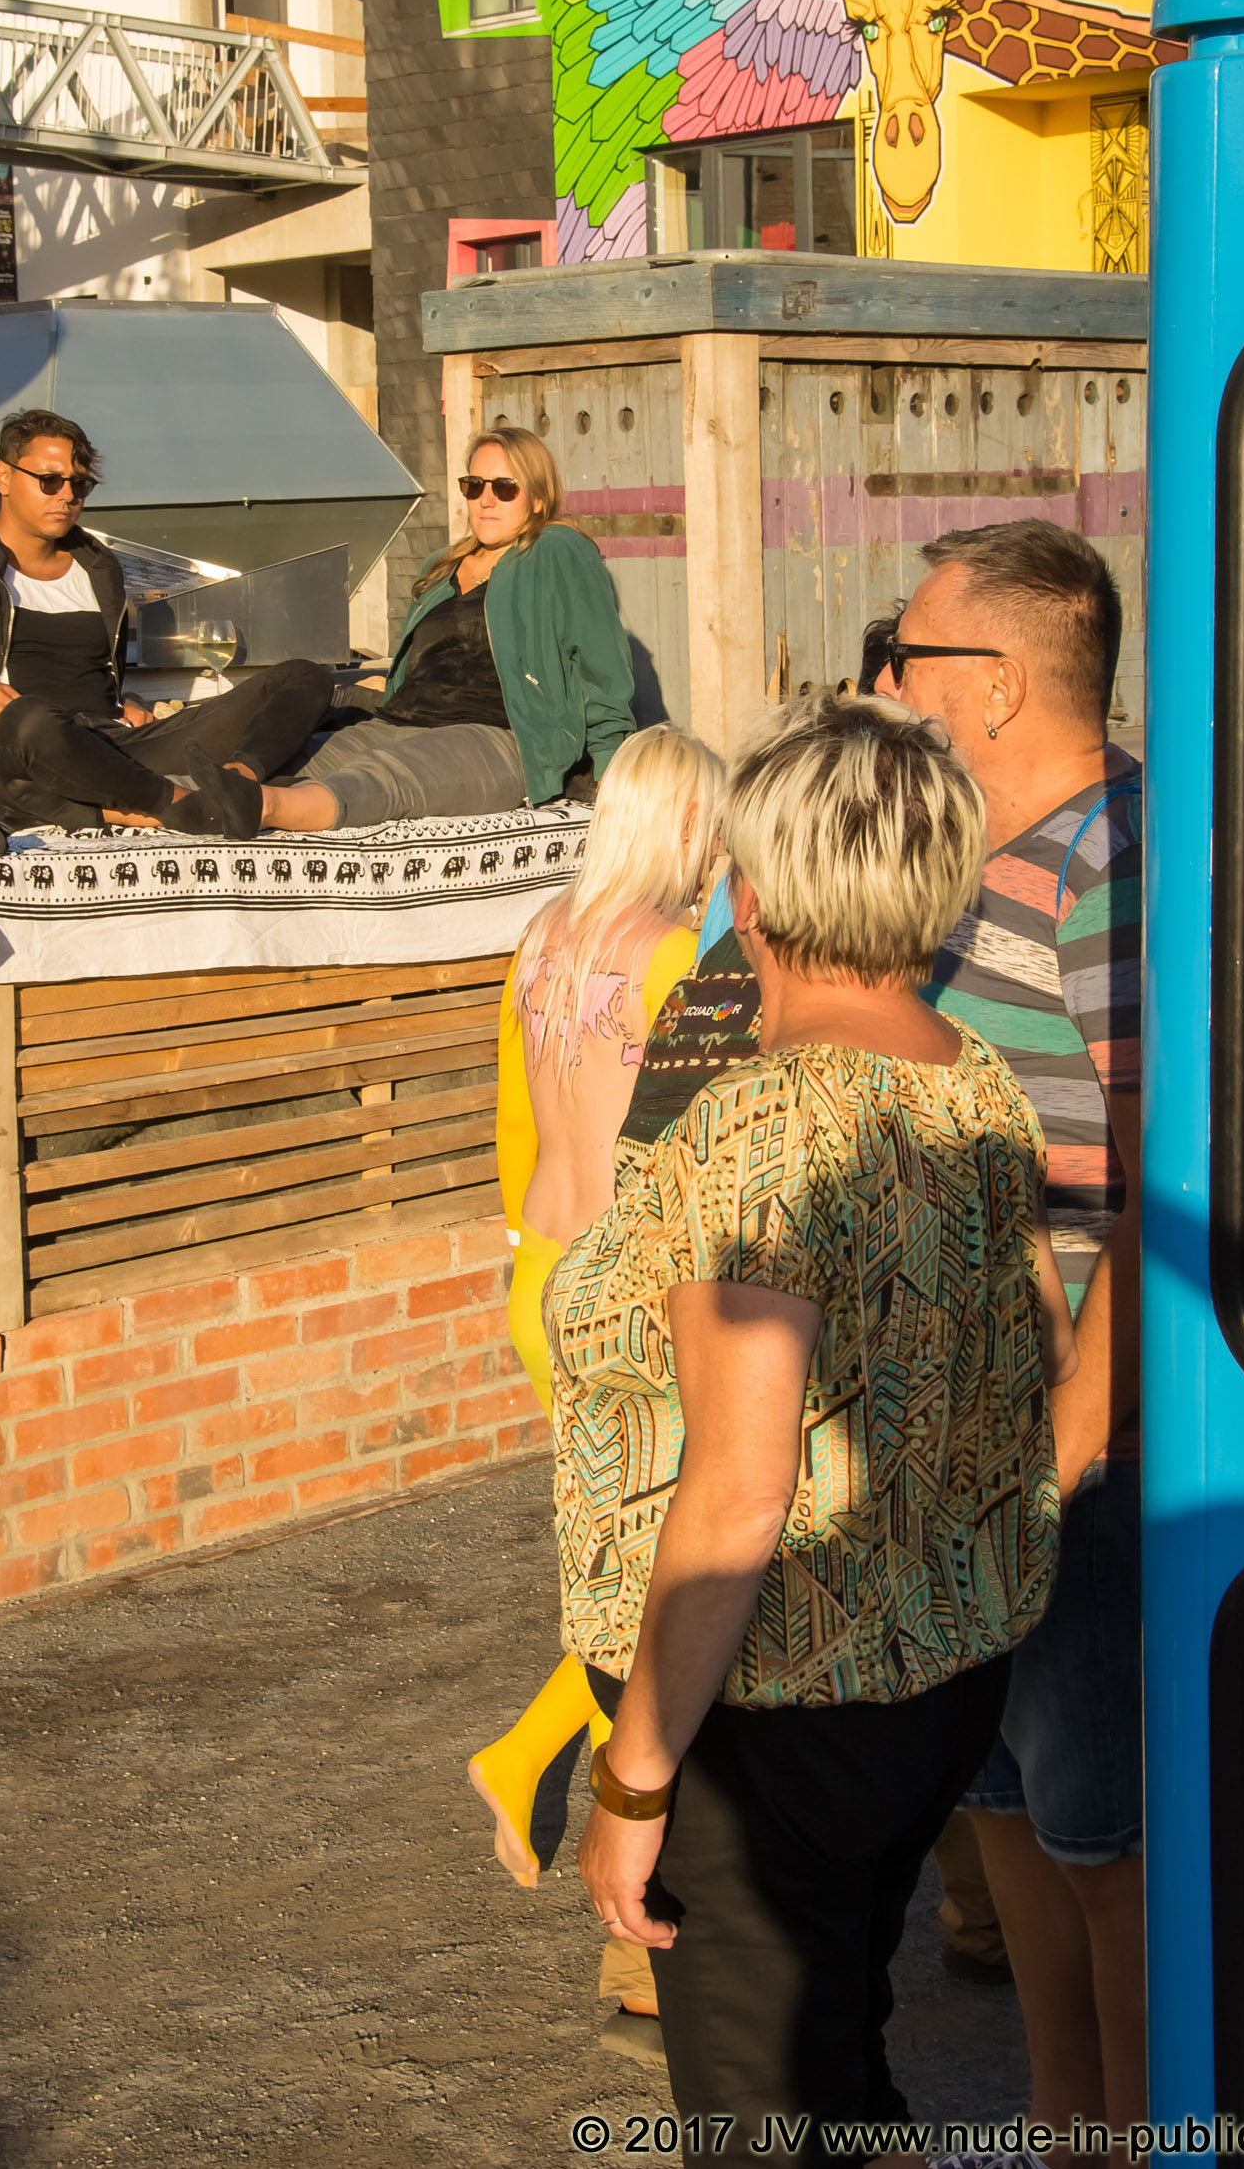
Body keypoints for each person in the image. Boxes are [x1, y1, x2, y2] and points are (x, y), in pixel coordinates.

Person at [555, 692, 1077, 2156]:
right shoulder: (972, 1080)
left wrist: (631, 1780)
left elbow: (738, 1492)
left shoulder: (759, 1126)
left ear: (750, 888)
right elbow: (1036, 1348)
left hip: (773, 1712)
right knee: (838, 2048)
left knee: (763, 2107)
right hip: (934, 1679)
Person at [876, 518, 1145, 2141]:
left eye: (909, 658)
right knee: (1009, 1805)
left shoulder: (1116, 859)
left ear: (991, 683)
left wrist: (1074, 1433)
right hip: (969, 1424)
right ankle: (1066, 2125)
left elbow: (1164, 1166)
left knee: (1104, 1834)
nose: (890, 687)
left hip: (1064, 1440)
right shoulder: (973, 857)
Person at [470, 725, 725, 1924]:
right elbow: (691, 1144)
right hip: (630, 1293)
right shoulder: (676, 952)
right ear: (690, 822)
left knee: (614, 1560)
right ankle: (530, 1754)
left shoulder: (538, 936)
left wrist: (524, 1244)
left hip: (541, 1273)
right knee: (668, 1578)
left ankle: (536, 1758)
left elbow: (513, 1119)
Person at [0, 410, 332, 856]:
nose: (67, 496)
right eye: (50, 481)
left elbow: (90, 672)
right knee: (28, 716)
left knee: (303, 676)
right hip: (9, 760)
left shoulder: (98, 566)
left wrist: (121, 699)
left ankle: (237, 788)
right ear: (4, 476)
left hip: (109, 750)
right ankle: (181, 805)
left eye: (80, 484)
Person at [259, 426, 634, 832]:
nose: (486, 499)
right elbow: (411, 669)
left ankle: (265, 807)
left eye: (505, 488)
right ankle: (217, 798)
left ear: (538, 499)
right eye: (474, 485)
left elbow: (603, 668)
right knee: (297, 759)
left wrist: (609, 765)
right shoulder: (440, 567)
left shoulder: (557, 550)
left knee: (381, 778)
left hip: (495, 733)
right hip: (399, 722)